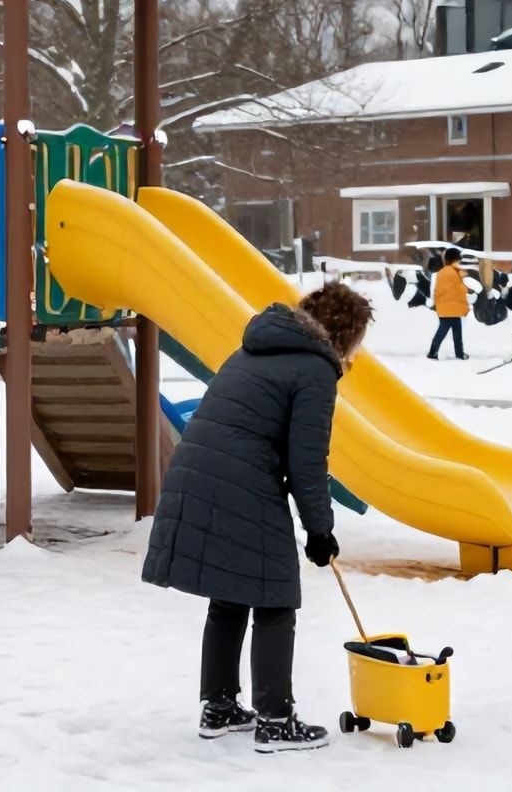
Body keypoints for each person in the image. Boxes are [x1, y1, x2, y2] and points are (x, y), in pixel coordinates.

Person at [141, 281, 373, 753]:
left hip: (197, 470)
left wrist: (314, 524)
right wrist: (320, 530)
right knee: (274, 596)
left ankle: (220, 706)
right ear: (345, 334)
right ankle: (275, 719)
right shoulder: (314, 369)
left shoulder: (256, 347)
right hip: (238, 478)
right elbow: (307, 459)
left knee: (231, 594)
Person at [427, 246, 470, 360]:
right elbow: (462, 288)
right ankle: (433, 352)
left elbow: (437, 290)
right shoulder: (457, 272)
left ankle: (459, 354)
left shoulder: (441, 272)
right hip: (454, 308)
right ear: (456, 259)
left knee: (453, 331)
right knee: (447, 332)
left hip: (444, 307)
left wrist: (437, 303)